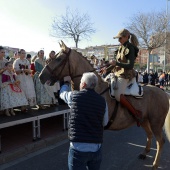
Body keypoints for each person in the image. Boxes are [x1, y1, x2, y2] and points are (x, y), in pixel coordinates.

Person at [59, 72, 108, 170]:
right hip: (96, 147)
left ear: (84, 84)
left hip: (78, 148)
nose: (80, 84)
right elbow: (105, 122)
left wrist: (66, 84)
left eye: (81, 82)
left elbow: (62, 94)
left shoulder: (74, 97)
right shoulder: (103, 101)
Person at [107, 28, 142, 124]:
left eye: (120, 38)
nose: (119, 40)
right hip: (117, 72)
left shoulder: (130, 47)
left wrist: (117, 63)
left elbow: (130, 65)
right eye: (118, 39)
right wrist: (106, 69)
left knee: (118, 95)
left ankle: (136, 113)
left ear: (126, 37)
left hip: (126, 74)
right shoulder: (121, 47)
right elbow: (115, 64)